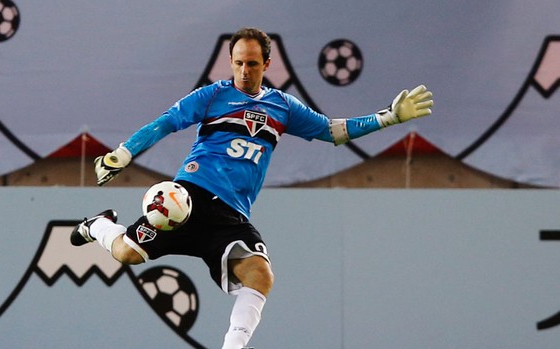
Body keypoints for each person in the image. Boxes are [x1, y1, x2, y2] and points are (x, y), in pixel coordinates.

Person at [70, 27, 433, 349]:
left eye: (253, 64)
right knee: (127, 254)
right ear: (230, 61)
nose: (245, 71)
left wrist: (389, 117)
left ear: (267, 64)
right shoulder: (212, 96)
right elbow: (167, 123)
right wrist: (123, 153)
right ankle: (98, 225)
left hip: (231, 215)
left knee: (261, 274)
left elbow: (333, 131)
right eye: (239, 63)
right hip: (189, 200)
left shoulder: (283, 107)